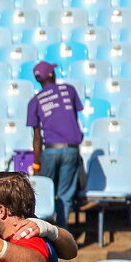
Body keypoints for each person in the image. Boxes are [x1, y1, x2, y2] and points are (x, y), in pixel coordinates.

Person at [27, 61, 84, 227]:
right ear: (51, 75)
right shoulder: (69, 90)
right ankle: (62, 235)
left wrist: (36, 165)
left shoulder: (35, 101)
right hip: (70, 149)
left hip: (50, 151)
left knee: (45, 194)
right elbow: (73, 117)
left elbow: (37, 137)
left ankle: (45, 234)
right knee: (65, 196)